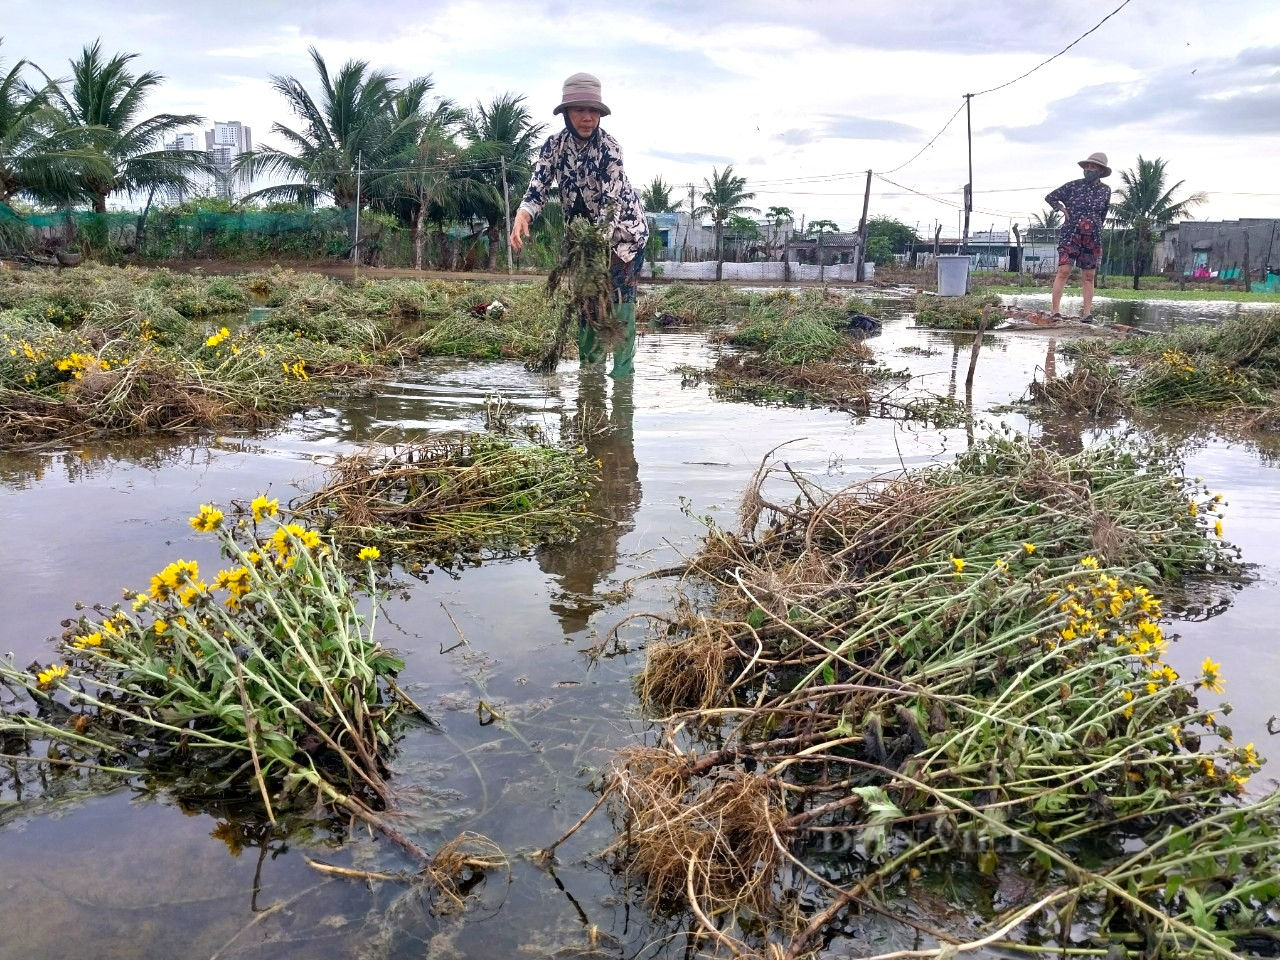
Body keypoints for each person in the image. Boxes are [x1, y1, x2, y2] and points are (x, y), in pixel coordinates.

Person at [509, 72, 649, 378]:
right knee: (587, 301)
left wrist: (594, 249)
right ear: (566, 115)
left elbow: (610, 207)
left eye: (593, 111)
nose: (587, 117)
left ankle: (623, 375)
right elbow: (538, 188)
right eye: (579, 110)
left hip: (623, 236)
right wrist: (524, 214)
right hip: (583, 239)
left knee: (619, 299)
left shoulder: (610, 149)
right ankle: (590, 373)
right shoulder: (553, 147)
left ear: (600, 114)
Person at [1045, 151, 1112, 324]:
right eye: (1087, 166)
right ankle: (1055, 311)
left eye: (1093, 167)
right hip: (1071, 234)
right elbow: (1050, 197)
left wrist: (1094, 225)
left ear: (1101, 170)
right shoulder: (1073, 186)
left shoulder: (1106, 190)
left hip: (1093, 238)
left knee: (1089, 276)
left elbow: (1103, 213)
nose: (1089, 169)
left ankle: (1087, 313)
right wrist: (1061, 208)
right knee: (1064, 271)